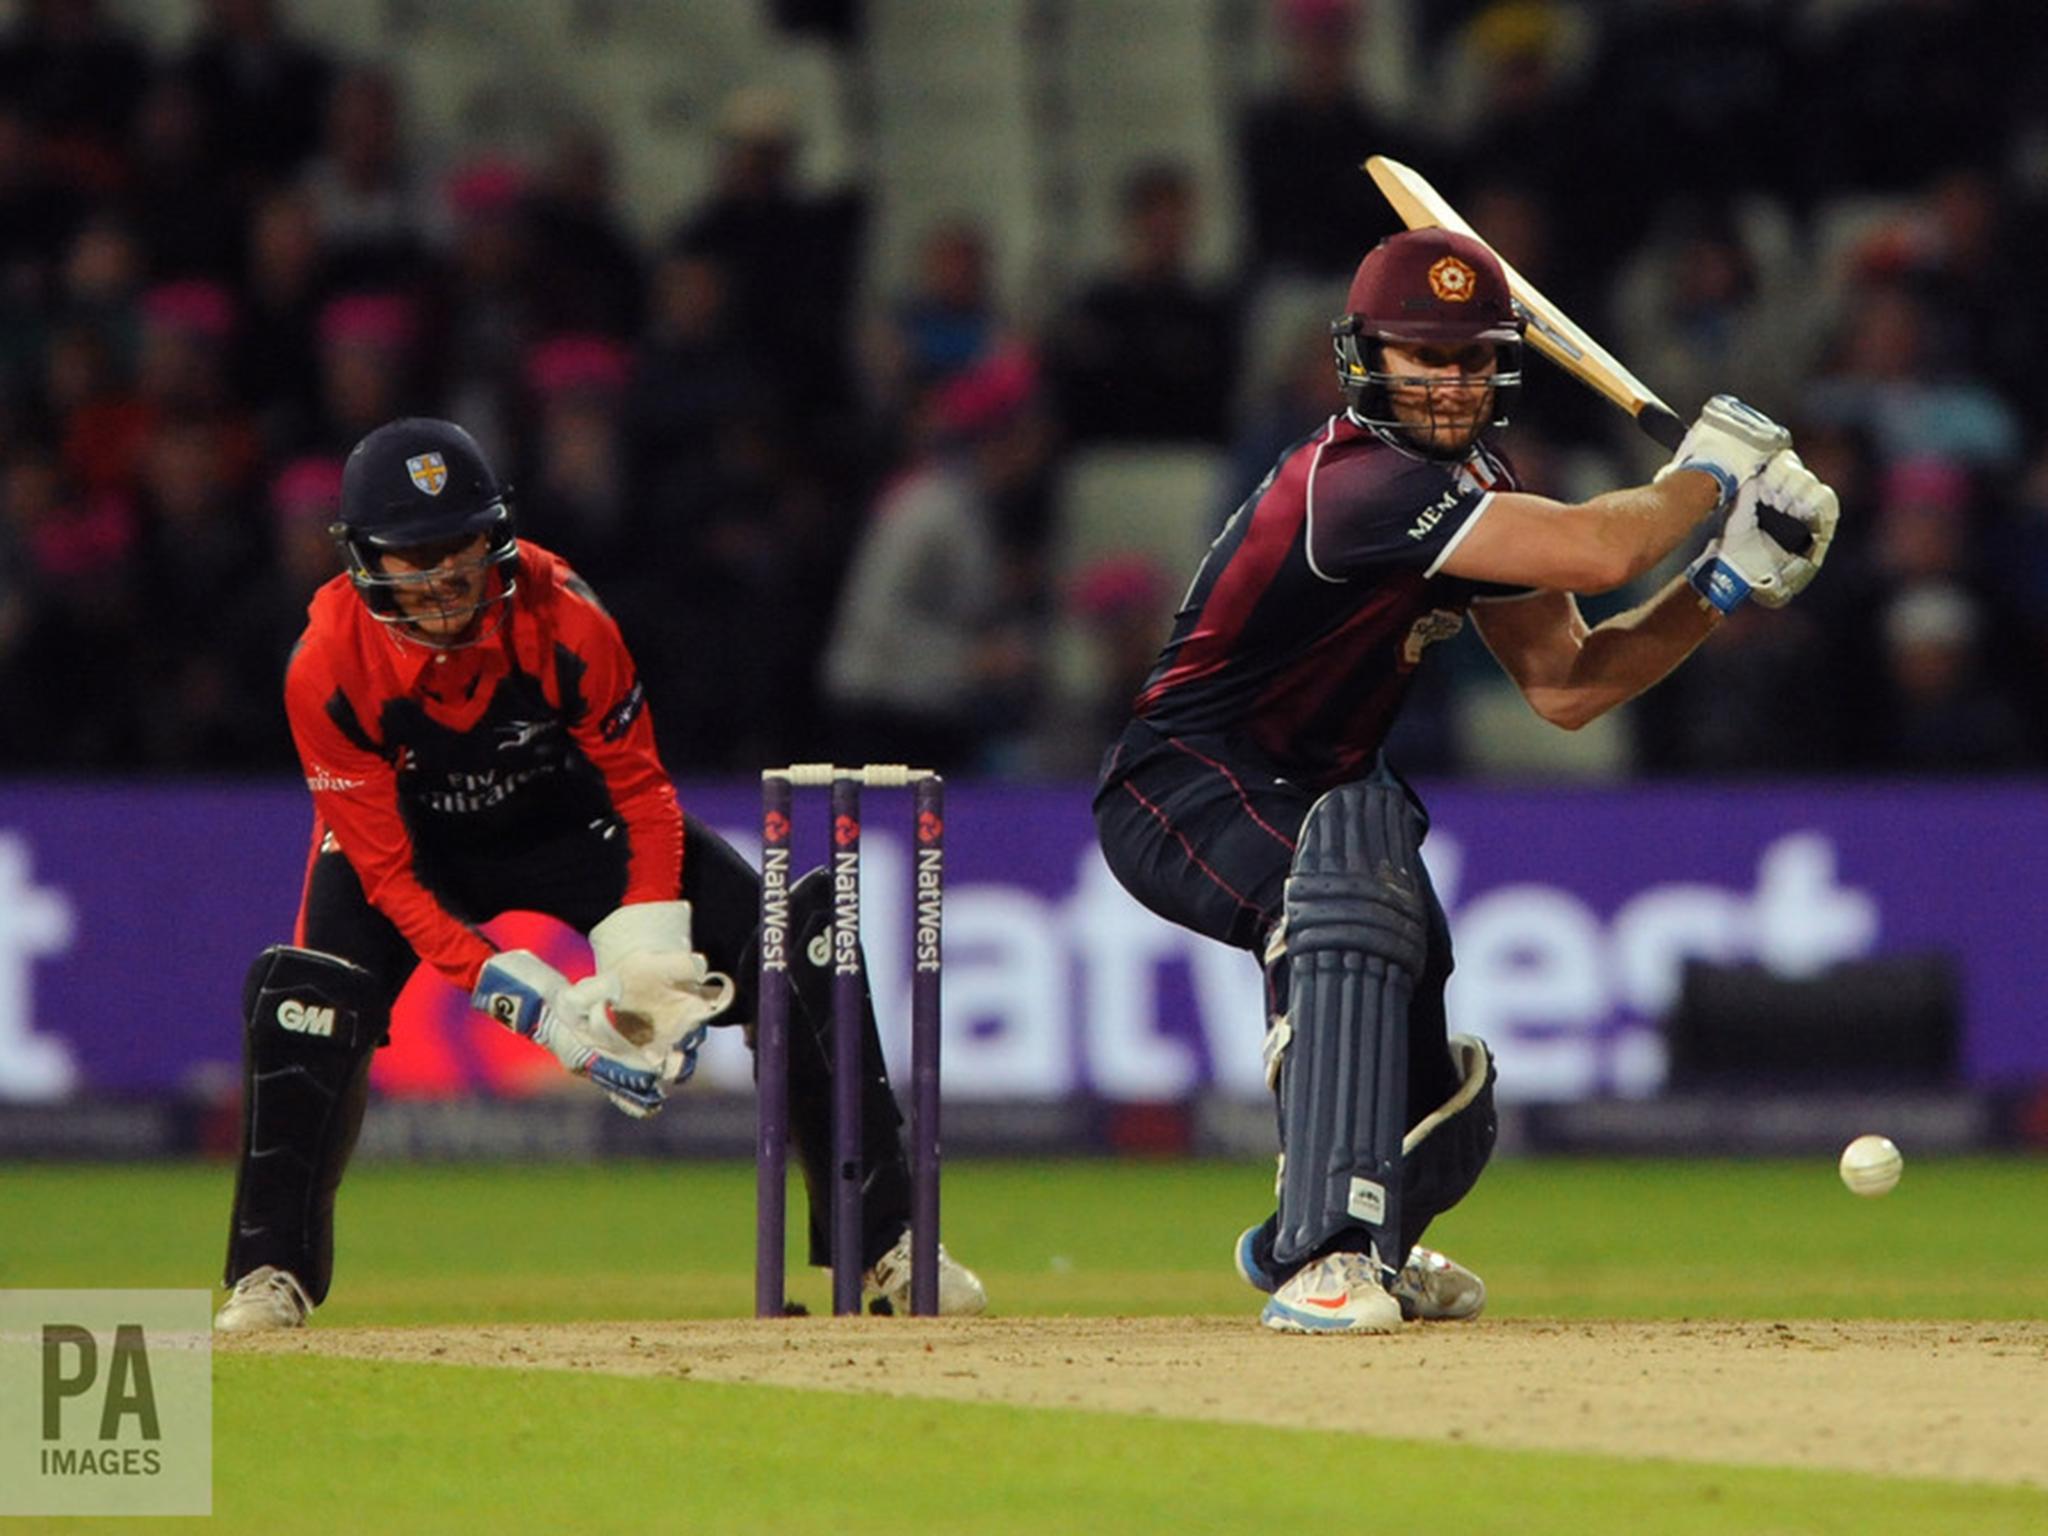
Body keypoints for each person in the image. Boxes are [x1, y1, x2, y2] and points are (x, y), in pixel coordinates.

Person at [1091, 228, 1838, 1334]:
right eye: (1420, 357)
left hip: (1335, 802)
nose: (1447, 384)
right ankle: (1327, 1260)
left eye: (1470, 360)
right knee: (1334, 904)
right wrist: (1704, 476)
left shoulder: (1476, 483)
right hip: (1187, 780)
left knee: (1445, 1102)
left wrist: (1720, 582)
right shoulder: (1350, 483)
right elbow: (1598, 547)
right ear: (1366, 360)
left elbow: (1569, 682)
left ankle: (1352, 1238)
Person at [213, 417, 986, 1331]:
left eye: (461, 554)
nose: (447, 586)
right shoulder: (327, 663)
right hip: (414, 852)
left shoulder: (563, 612)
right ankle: (271, 1273)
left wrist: (651, 952)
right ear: (366, 560)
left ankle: (885, 1244)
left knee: (800, 945)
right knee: (311, 997)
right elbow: (386, 877)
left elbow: (643, 792)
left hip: (575, 820)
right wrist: (520, 997)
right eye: (416, 561)